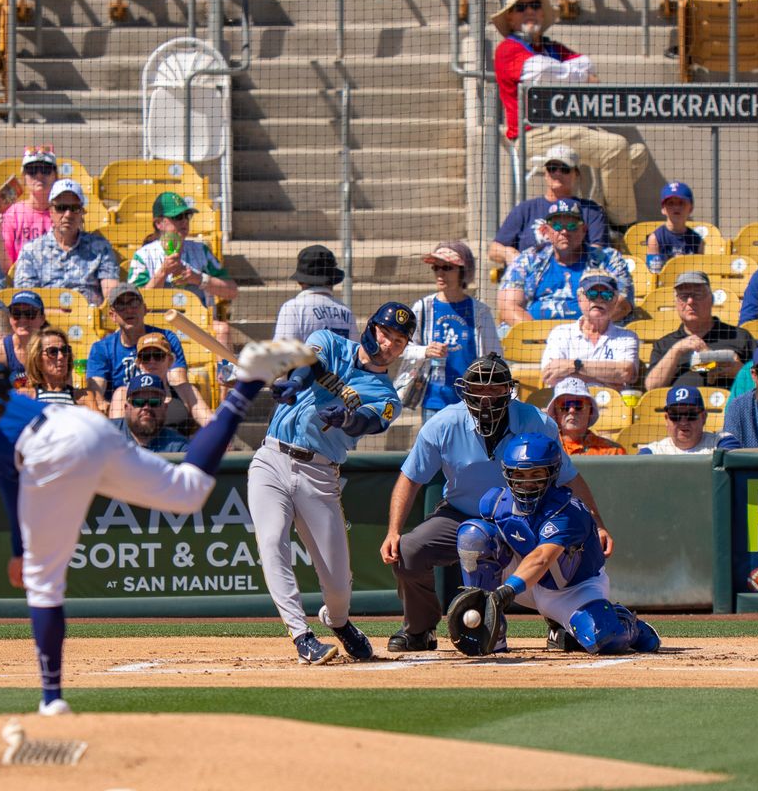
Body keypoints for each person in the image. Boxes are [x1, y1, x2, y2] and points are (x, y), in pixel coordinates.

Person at [0, 330, 316, 712]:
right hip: (72, 433)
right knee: (188, 491)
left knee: (45, 583)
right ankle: (247, 384)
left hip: (49, 448)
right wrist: (18, 550)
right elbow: (8, 477)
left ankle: (51, 701)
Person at [382, 354, 612, 652]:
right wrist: (393, 531)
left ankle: (559, 625)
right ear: (464, 390)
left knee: (555, 550)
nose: (486, 396)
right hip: (461, 514)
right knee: (409, 550)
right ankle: (419, 630)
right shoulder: (442, 424)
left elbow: (568, 477)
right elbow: (409, 479)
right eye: (479, 388)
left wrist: (599, 523)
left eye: (495, 389)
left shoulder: (537, 421)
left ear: (509, 389)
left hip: (525, 517)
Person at [250, 303, 412, 664]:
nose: (388, 344)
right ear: (371, 327)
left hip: (320, 474)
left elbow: (368, 423)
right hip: (272, 459)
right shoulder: (330, 340)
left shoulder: (388, 396)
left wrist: (347, 418)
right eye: (386, 333)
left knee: (338, 582)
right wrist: (292, 384)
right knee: (272, 540)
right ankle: (301, 634)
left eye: (399, 341)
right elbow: (310, 366)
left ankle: (337, 621)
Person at [451, 432, 659, 657]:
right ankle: (492, 630)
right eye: (519, 474)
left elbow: (542, 557)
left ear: (552, 474)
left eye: (536, 474)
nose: (527, 483)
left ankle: (627, 623)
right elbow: (486, 547)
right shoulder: (495, 502)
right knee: (473, 534)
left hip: (574, 589)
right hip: (526, 584)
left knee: (605, 638)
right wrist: (487, 593)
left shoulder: (568, 511)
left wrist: (504, 593)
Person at [492, 0, 648, 228]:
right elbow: (539, 72)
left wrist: (564, 72)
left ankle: (596, 217)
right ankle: (622, 227)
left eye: (535, 5)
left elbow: (586, 64)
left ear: (542, 13)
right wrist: (575, 75)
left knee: (637, 152)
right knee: (616, 148)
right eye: (521, 7)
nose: (530, 11)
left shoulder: (550, 47)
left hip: (567, 129)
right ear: (511, 19)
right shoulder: (508, 49)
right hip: (533, 135)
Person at [402, 241, 503, 420]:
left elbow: (495, 356)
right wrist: (424, 351)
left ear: (463, 271)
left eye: (447, 267)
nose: (440, 273)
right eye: (436, 267)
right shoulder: (423, 307)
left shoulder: (480, 311)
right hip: (434, 400)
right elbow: (403, 348)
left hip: (472, 402)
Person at [127, 191, 239, 348]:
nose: (184, 221)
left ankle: (224, 373)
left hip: (198, 326)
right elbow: (133, 305)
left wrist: (198, 279)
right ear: (159, 223)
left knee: (223, 329)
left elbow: (232, 291)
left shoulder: (201, 251)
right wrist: (162, 273)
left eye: (187, 216)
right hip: (156, 329)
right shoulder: (143, 256)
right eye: (177, 217)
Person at [497, 199, 632, 328]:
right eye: (557, 226)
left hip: (593, 335)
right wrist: (540, 336)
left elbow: (622, 304)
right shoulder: (529, 259)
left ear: (584, 230)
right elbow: (508, 306)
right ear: (546, 231)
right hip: (535, 339)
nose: (565, 232)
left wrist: (580, 333)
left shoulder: (608, 259)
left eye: (572, 226)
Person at [85, 284, 205, 423]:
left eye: (134, 303)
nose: (129, 310)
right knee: (121, 393)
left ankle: (218, 438)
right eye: (121, 306)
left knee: (188, 390)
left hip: (161, 403)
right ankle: (121, 441)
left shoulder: (166, 337)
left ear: (145, 309)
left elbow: (178, 381)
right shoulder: (102, 348)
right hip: (125, 411)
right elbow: (96, 394)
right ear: (112, 315)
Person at [488, 145, 609, 266]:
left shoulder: (591, 211)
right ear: (545, 173)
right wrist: (509, 253)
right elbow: (494, 249)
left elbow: (597, 250)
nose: (557, 173)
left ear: (576, 174)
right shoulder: (525, 209)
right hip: (529, 277)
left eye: (565, 169)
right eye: (552, 168)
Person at [13, 179, 120, 307]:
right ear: (51, 211)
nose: (68, 215)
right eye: (61, 208)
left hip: (88, 320)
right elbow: (26, 301)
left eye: (74, 208)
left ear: (82, 213)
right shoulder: (31, 251)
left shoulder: (100, 248)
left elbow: (111, 292)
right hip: (44, 323)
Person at [646, 270, 757, 390]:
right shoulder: (664, 344)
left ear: (711, 300)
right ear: (676, 303)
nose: (690, 301)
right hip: (680, 408)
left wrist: (740, 372)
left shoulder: (739, 337)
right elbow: (652, 387)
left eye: (697, 295)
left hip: (729, 406)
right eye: (683, 297)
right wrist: (676, 350)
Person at [538, 270, 638, 389]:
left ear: (615, 301)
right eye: (592, 294)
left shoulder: (627, 337)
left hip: (611, 404)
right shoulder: (560, 333)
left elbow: (625, 372)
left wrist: (573, 367)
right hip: (567, 405)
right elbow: (549, 375)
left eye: (607, 295)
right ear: (579, 299)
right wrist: (605, 379)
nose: (599, 299)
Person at [107, 331, 201, 430]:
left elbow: (210, 422)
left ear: (170, 360)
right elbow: (115, 435)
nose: (152, 361)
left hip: (180, 444)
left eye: (158, 355)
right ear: (139, 363)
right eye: (146, 357)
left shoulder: (186, 391)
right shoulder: (123, 394)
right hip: (137, 445)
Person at [0, 144, 59, 270]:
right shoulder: (12, 214)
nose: (39, 175)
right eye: (32, 171)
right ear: (24, 177)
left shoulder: (65, 212)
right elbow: (1, 269)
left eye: (45, 170)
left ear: (56, 176)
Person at [273, 245, 355, 342]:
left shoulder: (293, 308)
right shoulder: (346, 311)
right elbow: (355, 354)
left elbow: (284, 351)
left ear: (300, 281)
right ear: (333, 280)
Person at [637, 384, 740, 454]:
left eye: (691, 414)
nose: (683, 422)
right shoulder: (654, 452)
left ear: (703, 417)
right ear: (666, 418)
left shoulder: (720, 442)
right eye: (675, 415)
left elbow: (733, 453)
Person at [114, 372, 190, 451]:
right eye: (139, 402)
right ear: (126, 408)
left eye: (154, 402)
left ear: (165, 408)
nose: (147, 407)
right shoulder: (107, 433)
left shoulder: (179, 447)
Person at [548, 377, 625, 454]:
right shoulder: (544, 449)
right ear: (555, 413)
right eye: (564, 405)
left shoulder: (612, 452)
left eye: (578, 405)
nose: (572, 410)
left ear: (590, 411)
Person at [16, 327, 90, 406]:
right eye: (52, 352)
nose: (61, 356)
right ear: (38, 359)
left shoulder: (83, 397)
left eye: (65, 350)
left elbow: (99, 418)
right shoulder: (26, 396)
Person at [0, 290, 47, 385]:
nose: (22, 319)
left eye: (30, 313)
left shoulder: (55, 349)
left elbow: (65, 390)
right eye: (16, 313)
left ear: (42, 319)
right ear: (10, 318)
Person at [645, 182, 704, 268]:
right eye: (670, 203)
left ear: (690, 208)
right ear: (663, 209)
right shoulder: (655, 239)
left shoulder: (697, 240)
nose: (676, 207)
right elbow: (654, 274)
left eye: (681, 203)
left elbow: (699, 272)